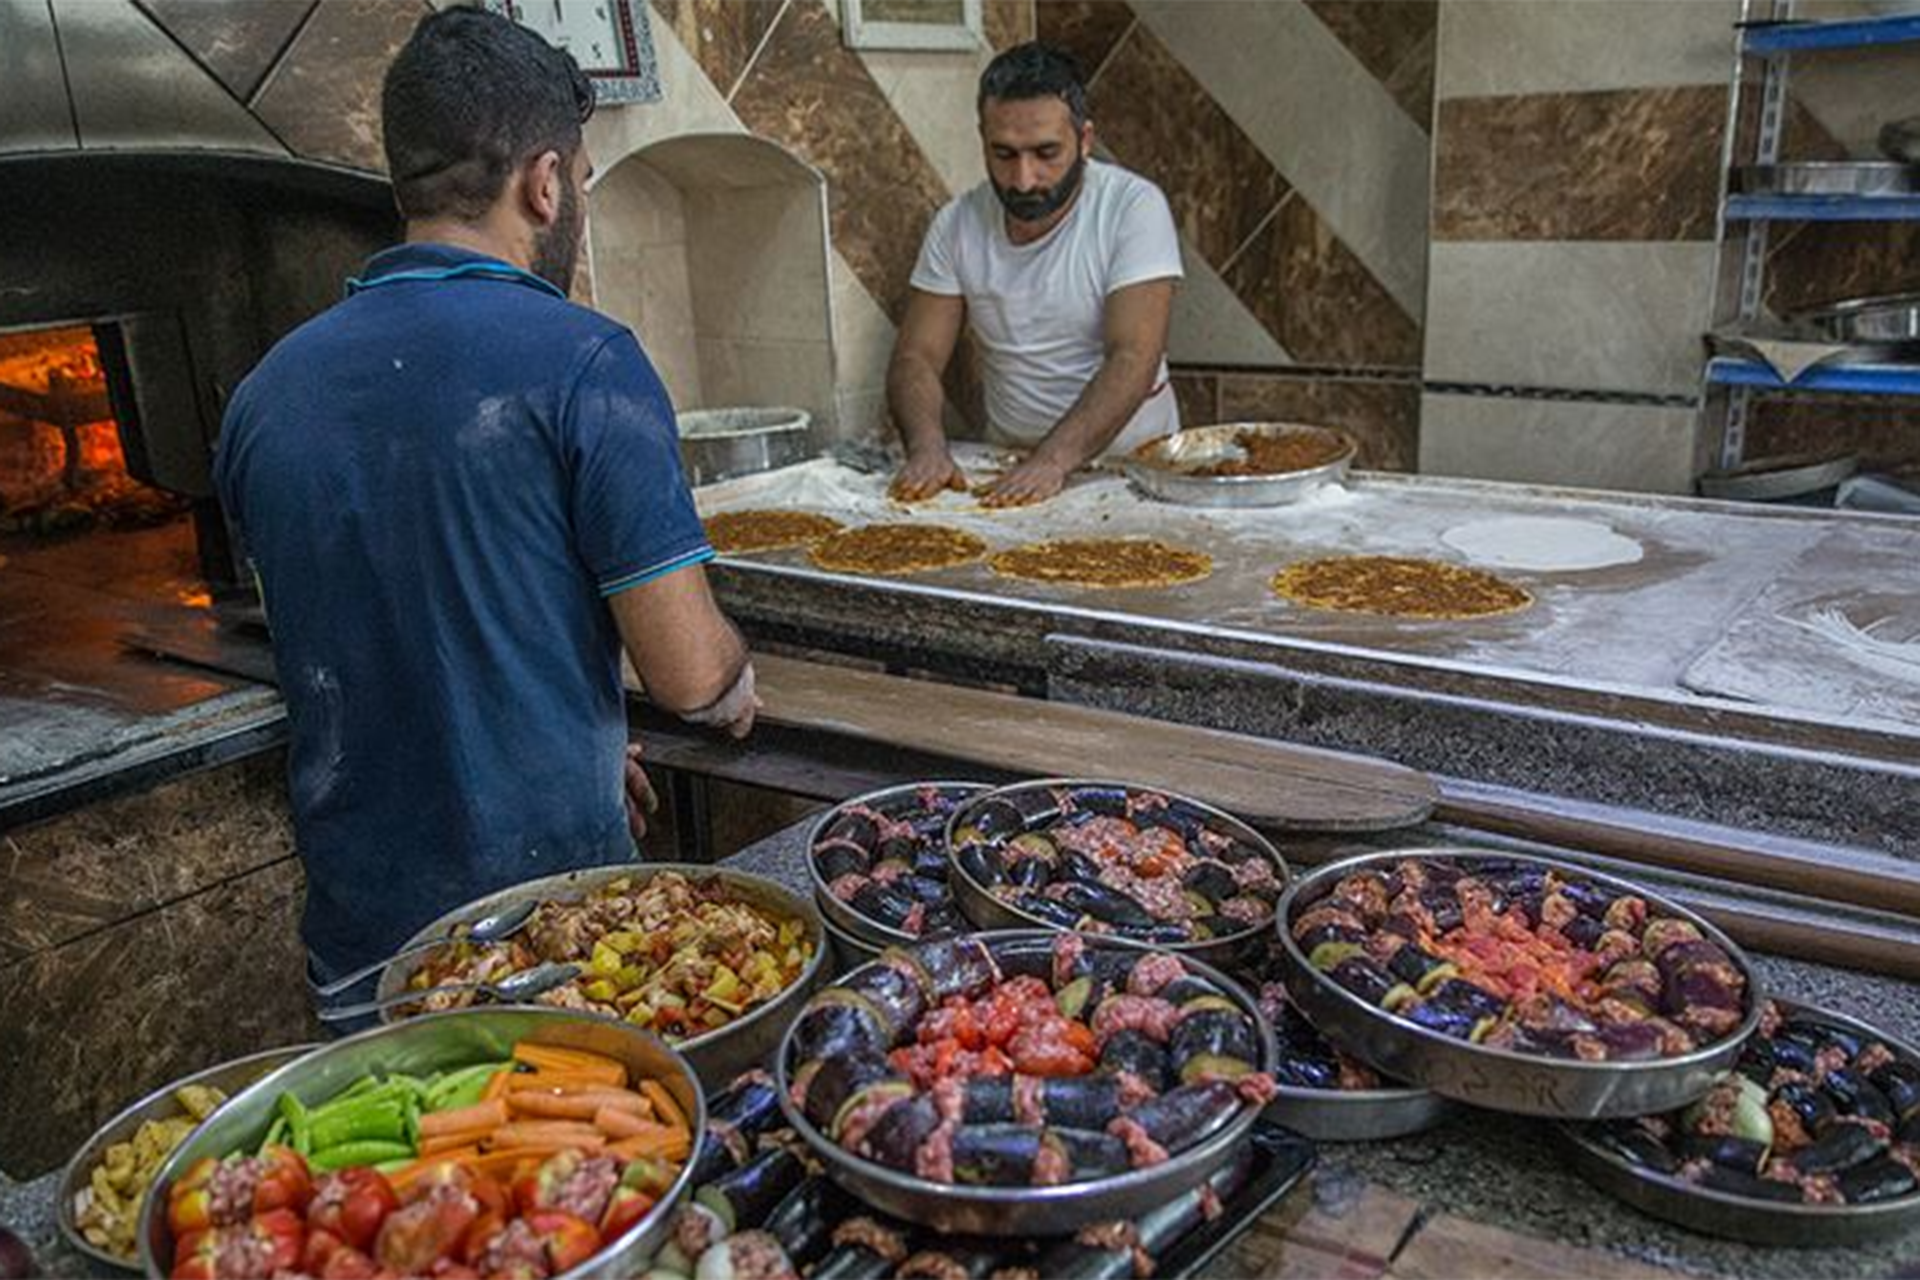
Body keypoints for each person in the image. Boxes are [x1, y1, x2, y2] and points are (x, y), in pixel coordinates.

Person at [213, 7, 756, 998]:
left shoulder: (264, 391)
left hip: (361, 948)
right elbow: (685, 675)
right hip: (539, 941)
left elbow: (403, 610)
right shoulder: (587, 363)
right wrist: (731, 676)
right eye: (581, 181)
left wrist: (577, 750)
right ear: (546, 182)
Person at [889, 41, 1184, 508]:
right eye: (1003, 154)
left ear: (1084, 140)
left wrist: (1052, 461)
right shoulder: (957, 224)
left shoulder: (1132, 208)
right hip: (1008, 460)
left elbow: (1132, 356)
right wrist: (927, 448)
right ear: (982, 139)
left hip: (1131, 468)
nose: (1024, 179)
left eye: (1046, 152)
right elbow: (916, 356)